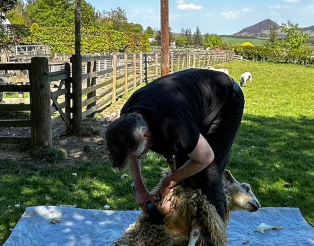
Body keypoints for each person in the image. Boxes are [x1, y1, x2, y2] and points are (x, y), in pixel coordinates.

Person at [104, 68, 244, 219]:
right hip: (187, 103)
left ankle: (214, 237)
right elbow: (132, 154)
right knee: (187, 174)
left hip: (225, 99)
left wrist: (170, 180)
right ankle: (187, 228)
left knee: (209, 176)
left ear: (146, 135)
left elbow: (206, 157)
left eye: (140, 154)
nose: (139, 157)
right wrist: (140, 189)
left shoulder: (176, 128)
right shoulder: (126, 121)